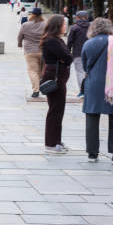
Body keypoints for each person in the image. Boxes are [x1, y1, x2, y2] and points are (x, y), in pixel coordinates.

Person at [81, 18, 113, 164]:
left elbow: (85, 65)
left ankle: (92, 153)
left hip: (93, 84)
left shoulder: (88, 43)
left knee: (92, 117)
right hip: (112, 84)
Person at [39, 14, 72, 155]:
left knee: (59, 110)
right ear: (57, 26)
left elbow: (66, 58)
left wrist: (65, 58)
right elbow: (67, 57)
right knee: (55, 111)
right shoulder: (51, 41)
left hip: (59, 77)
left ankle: (57, 141)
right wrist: (65, 58)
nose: (66, 27)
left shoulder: (56, 40)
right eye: (64, 24)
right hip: (55, 78)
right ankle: (51, 144)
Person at [17, 7, 46, 98]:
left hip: (30, 51)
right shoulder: (45, 25)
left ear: (32, 15)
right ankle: (39, 84)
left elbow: (20, 37)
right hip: (43, 51)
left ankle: (36, 90)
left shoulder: (25, 25)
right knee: (41, 71)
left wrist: (20, 44)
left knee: (32, 70)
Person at [67, 11, 90, 96]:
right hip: (90, 53)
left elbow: (70, 41)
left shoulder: (74, 28)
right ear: (86, 17)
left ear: (77, 18)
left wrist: (68, 52)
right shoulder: (92, 27)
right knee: (88, 72)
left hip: (77, 53)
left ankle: (82, 91)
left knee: (79, 72)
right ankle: (89, 89)